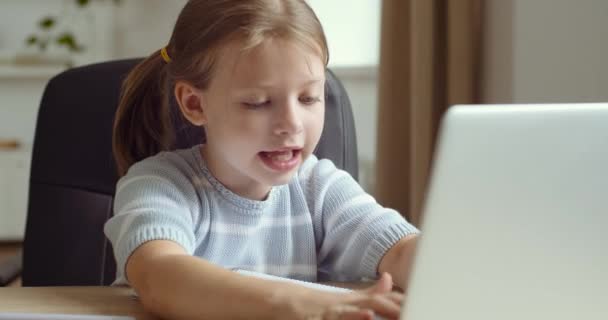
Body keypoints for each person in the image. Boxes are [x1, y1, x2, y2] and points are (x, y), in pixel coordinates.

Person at [104, 0, 420, 319]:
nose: (292, 124)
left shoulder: (320, 188)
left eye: (309, 98)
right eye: (258, 102)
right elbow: (161, 276)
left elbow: (405, 251)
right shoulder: (158, 184)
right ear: (195, 104)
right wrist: (302, 303)